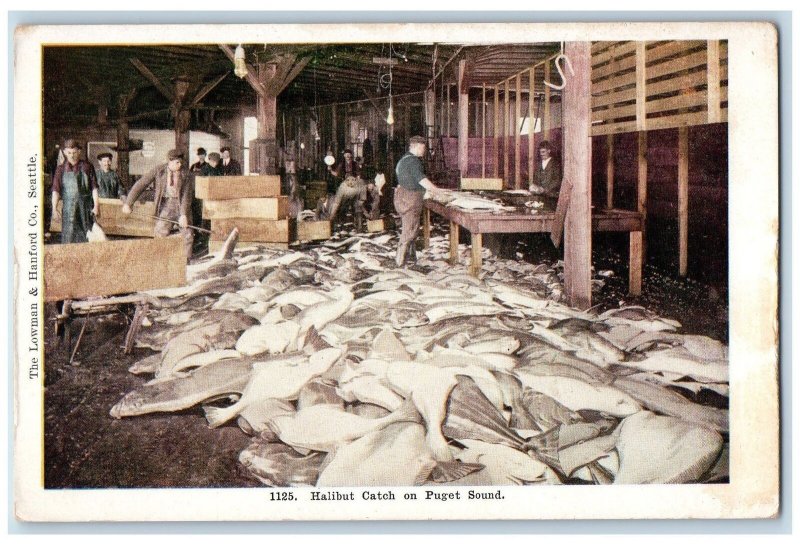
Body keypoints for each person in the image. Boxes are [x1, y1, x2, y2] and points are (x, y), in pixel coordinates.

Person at [122, 149, 195, 260]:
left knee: (188, 234)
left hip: (182, 205)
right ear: (169, 161)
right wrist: (128, 203)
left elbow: (186, 195)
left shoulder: (186, 173)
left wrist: (184, 214)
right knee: (160, 232)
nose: (180, 165)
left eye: (181, 162)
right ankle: (159, 259)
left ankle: (186, 262)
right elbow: (141, 184)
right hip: (166, 205)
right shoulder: (159, 170)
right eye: (177, 162)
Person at [393, 135, 443, 267]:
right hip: (410, 199)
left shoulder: (404, 159)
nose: (424, 150)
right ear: (415, 146)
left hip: (403, 197)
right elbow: (421, 180)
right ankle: (399, 264)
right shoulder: (414, 161)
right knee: (409, 231)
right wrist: (438, 191)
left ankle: (410, 259)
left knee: (412, 229)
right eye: (423, 147)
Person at [51, 139, 100, 243]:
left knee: (87, 238)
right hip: (69, 211)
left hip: (85, 209)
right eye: (69, 153)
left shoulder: (87, 166)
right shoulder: (60, 169)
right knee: (69, 238)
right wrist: (54, 209)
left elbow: (94, 188)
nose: (72, 155)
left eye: (74, 152)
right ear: (64, 152)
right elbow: (55, 190)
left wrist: (96, 206)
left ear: (79, 152)